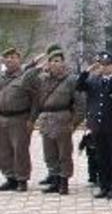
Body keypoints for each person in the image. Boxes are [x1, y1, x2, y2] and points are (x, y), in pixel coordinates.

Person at [76, 52, 112, 199]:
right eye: (101, 65)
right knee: (101, 157)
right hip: (97, 125)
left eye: (107, 65)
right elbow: (79, 86)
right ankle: (104, 186)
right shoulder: (94, 80)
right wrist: (87, 71)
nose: (104, 68)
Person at [0, 46, 45, 191]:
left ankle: (22, 179)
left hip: (20, 118)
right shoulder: (2, 77)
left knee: (20, 150)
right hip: (2, 118)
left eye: (13, 57)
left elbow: (35, 100)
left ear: (19, 59)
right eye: (7, 57)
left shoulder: (26, 77)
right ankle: (10, 177)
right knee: (4, 151)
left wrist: (32, 119)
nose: (10, 60)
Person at [35, 46, 79, 195]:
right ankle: (54, 179)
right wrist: (36, 67)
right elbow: (26, 82)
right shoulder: (42, 79)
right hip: (46, 118)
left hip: (62, 118)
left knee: (64, 153)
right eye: (52, 61)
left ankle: (64, 181)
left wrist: (74, 122)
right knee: (49, 153)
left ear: (63, 63)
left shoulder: (71, 80)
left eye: (58, 61)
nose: (55, 64)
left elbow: (80, 103)